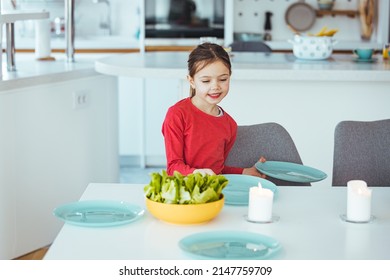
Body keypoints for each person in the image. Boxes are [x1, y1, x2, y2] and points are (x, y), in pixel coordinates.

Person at [162, 43, 265, 177]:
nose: (215, 87)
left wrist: (244, 172)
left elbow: (217, 171)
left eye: (223, 79)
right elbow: (173, 168)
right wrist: (196, 173)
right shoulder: (177, 115)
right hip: (184, 191)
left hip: (214, 193)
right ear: (191, 81)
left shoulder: (229, 125)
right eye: (206, 81)